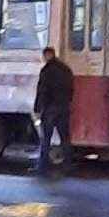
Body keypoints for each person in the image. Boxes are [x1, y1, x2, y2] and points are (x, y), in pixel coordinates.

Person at [34, 46, 74, 175]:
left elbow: (42, 91)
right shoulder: (66, 69)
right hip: (64, 107)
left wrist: (38, 108)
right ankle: (68, 163)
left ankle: (43, 165)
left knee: (46, 137)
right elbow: (71, 89)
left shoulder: (46, 71)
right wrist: (67, 101)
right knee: (65, 137)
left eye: (44, 56)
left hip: (51, 108)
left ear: (47, 55)